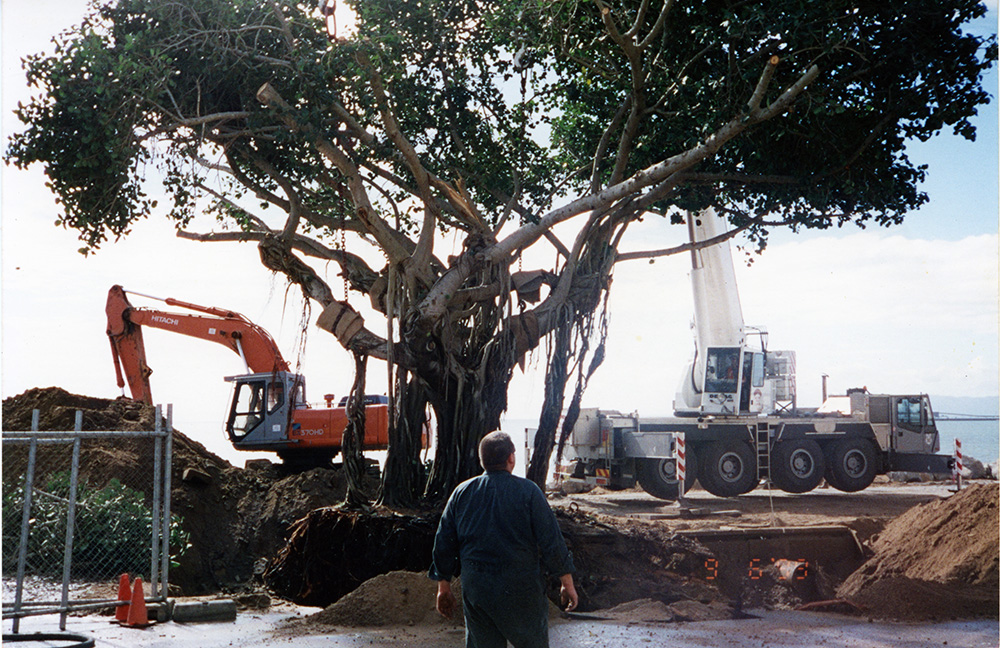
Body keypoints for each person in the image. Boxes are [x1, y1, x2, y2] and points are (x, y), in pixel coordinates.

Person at [429, 431, 578, 648]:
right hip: (520, 589)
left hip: (477, 588)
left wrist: (443, 586)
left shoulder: (461, 493)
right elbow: (551, 540)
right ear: (511, 458)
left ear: (483, 460)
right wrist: (567, 583)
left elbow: (444, 542)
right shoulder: (529, 492)